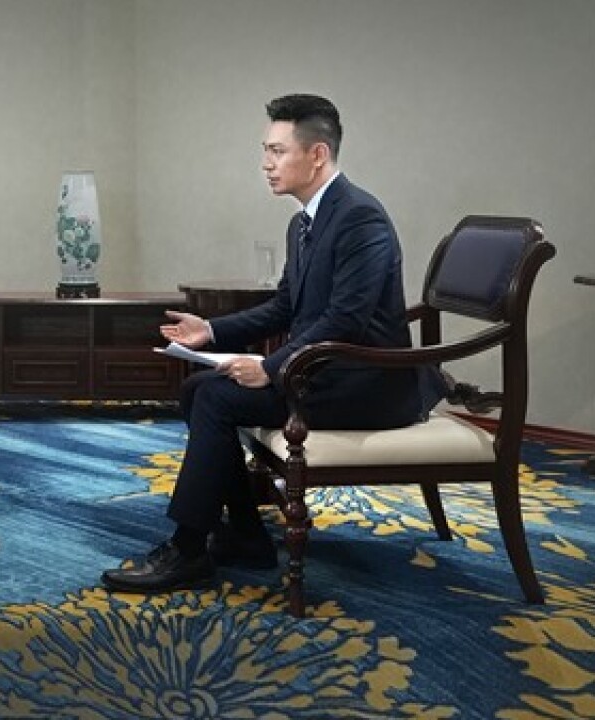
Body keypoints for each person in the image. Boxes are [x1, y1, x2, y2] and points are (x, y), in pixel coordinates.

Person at [102, 94, 437, 594]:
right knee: (198, 389)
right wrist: (211, 330)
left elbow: (345, 320)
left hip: (367, 384)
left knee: (214, 399)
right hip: (324, 371)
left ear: (317, 154)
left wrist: (272, 367)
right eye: (266, 150)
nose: (266, 163)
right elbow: (285, 307)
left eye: (277, 151)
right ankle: (244, 534)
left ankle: (189, 549)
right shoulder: (303, 221)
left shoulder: (361, 218)